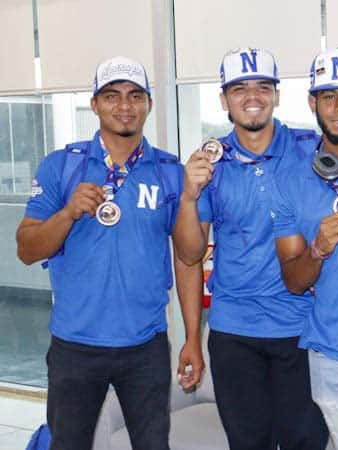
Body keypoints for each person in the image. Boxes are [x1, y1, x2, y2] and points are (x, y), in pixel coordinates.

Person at [173, 47, 338, 450]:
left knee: (306, 444)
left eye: (261, 86)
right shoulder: (209, 164)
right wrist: (188, 196)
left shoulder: (309, 148)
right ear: (224, 99)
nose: (251, 96)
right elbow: (187, 255)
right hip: (234, 330)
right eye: (239, 88)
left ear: (276, 94)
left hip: (301, 327)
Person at [16, 56, 204, 450]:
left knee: (153, 445)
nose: (125, 105)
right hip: (75, 345)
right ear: (95, 104)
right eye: (112, 95)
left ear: (149, 104)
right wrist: (67, 213)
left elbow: (188, 258)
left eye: (136, 96)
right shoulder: (61, 166)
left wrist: (191, 338)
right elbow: (26, 249)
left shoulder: (170, 171)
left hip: (145, 346)